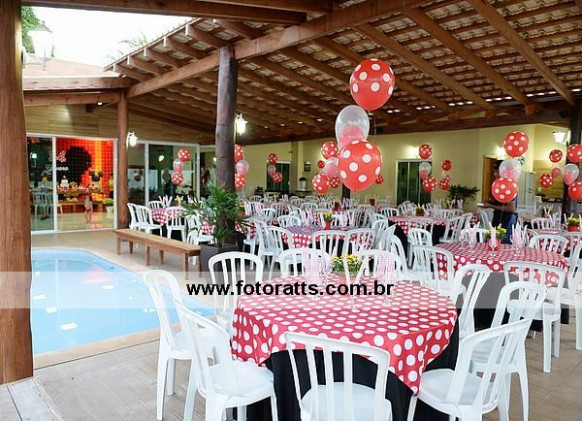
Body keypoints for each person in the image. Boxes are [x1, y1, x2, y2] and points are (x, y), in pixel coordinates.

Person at [481, 160, 518, 243]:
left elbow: (511, 208)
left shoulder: (509, 185)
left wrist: (490, 206)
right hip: (498, 218)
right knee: (493, 242)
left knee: (502, 245)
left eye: (497, 172)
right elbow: (501, 202)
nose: (495, 174)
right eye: (494, 172)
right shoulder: (500, 184)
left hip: (507, 220)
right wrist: (489, 202)